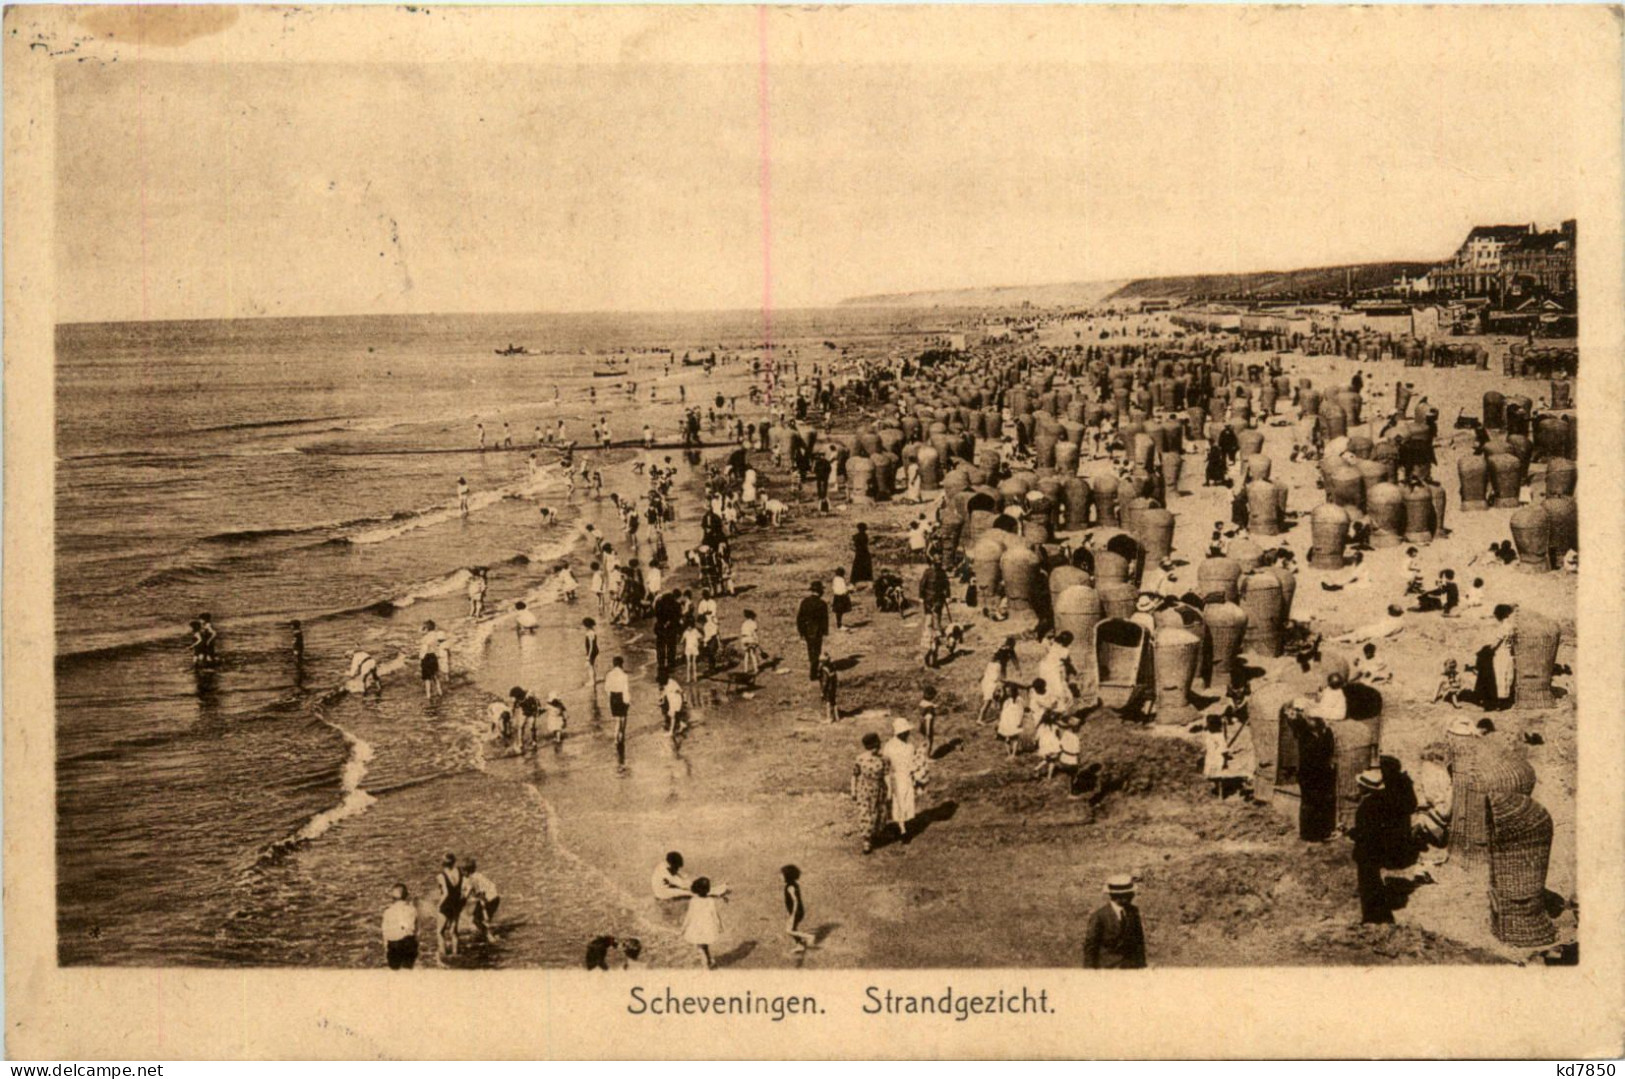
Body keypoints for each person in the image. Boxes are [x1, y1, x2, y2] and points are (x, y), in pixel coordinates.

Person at [1350, 770, 1396, 924]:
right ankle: (1379, 916)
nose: (1357, 786)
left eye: (1360, 784)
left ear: (1366, 788)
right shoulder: (1379, 802)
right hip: (1376, 850)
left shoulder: (1367, 807)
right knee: (1374, 881)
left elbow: (1365, 832)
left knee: (1367, 885)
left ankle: (1371, 918)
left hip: (1367, 851)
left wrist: (1351, 833)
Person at [1285, 705, 1337, 841]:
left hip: (1323, 772)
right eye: (1310, 719)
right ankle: (1308, 834)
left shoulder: (1326, 733)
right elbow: (1292, 721)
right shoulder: (1303, 733)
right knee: (1309, 802)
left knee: (1322, 802)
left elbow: (1330, 750)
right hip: (1308, 773)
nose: (1312, 721)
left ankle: (1323, 832)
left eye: (1315, 719)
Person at [1082, 875, 1147, 969]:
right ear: (1119, 896)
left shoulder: (1133, 912)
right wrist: (1090, 973)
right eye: (1129, 894)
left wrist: (1141, 966)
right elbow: (1091, 948)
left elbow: (1139, 943)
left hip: (1131, 970)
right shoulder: (1099, 916)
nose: (1133, 896)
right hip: (1107, 971)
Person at [881, 717, 927, 845]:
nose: (907, 734)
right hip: (896, 777)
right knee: (900, 802)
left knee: (905, 801)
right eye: (905, 732)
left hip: (905, 777)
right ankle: (903, 829)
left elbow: (912, 761)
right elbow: (886, 764)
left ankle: (904, 825)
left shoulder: (906, 746)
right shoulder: (891, 747)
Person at [851, 733, 889, 854]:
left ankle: (875, 834)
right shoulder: (860, 759)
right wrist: (853, 790)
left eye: (877, 746)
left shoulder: (884, 759)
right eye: (873, 747)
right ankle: (866, 842)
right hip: (864, 790)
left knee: (879, 813)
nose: (875, 749)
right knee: (865, 814)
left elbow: (886, 775)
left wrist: (890, 791)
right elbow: (854, 775)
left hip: (879, 789)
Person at [682, 877, 726, 970]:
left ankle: (705, 965)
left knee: (700, 947)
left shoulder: (694, 901)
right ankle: (709, 961)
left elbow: (689, 916)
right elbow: (715, 915)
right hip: (708, 927)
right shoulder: (710, 900)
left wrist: (683, 927)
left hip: (697, 927)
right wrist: (719, 926)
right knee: (705, 945)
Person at [797, 582, 830, 681]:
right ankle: (813, 672)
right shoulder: (822, 604)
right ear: (820, 591)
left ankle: (813, 669)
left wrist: (801, 631)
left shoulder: (805, 602)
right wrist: (825, 631)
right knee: (817, 650)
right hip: (818, 630)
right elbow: (825, 619)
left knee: (811, 649)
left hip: (807, 630)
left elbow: (800, 618)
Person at [461, 858, 501, 942]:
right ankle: (489, 933)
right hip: (495, 897)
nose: (462, 874)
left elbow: (480, 895)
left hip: (489, 899)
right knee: (483, 919)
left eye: (463, 871)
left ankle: (489, 937)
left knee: (477, 920)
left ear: (467, 871)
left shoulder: (473, 879)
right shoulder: (477, 875)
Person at [381, 883, 419, 970]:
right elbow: (416, 931)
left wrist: (386, 948)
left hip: (394, 945)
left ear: (392, 898)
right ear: (406, 896)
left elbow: (385, 933)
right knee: (407, 970)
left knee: (395, 972)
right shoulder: (412, 909)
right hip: (409, 943)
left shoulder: (388, 912)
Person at [435, 853, 465, 957]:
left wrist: (438, 905)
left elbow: (446, 893)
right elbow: (463, 888)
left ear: (442, 863)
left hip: (446, 904)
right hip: (457, 904)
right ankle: (455, 952)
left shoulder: (441, 876)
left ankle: (443, 953)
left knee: (440, 931)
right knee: (454, 931)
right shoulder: (460, 872)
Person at [781, 865, 816, 954]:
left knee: (789, 930)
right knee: (794, 928)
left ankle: (809, 937)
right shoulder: (794, 884)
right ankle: (800, 945)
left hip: (796, 912)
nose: (780, 876)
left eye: (782, 874)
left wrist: (793, 915)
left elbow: (795, 901)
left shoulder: (790, 887)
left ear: (787, 876)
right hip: (798, 911)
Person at [605, 657, 631, 751]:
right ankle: (622, 736)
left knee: (617, 720)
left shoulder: (609, 674)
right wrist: (627, 701)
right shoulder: (624, 675)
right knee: (623, 718)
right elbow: (626, 690)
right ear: (621, 664)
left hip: (613, 697)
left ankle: (615, 738)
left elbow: (607, 688)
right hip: (621, 697)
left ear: (613, 664)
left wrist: (610, 699)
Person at [995, 682, 1025, 755]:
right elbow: (1003, 711)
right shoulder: (1007, 700)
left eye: (1010, 691)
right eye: (1007, 691)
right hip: (1006, 720)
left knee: (1014, 737)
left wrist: (1020, 721)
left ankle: (1014, 754)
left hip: (1014, 720)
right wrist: (1000, 721)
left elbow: (1021, 711)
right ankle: (1009, 753)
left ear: (1014, 691)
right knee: (1006, 737)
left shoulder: (1019, 700)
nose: (1008, 693)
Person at [419, 620, 445, 701]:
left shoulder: (425, 638)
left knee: (427, 678)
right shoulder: (436, 636)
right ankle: (440, 691)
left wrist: (421, 657)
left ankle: (428, 694)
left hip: (426, 657)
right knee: (435, 676)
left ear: (426, 628)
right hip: (434, 656)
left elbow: (424, 648)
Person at [739, 609, 762, 676]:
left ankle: (745, 670)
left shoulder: (744, 623)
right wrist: (757, 641)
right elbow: (754, 633)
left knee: (746, 654)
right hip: (750, 638)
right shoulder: (753, 623)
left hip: (743, 639)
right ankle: (756, 669)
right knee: (752, 654)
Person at [819, 653, 840, 723]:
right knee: (833, 701)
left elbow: (825, 681)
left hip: (828, 688)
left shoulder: (824, 669)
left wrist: (822, 691)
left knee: (828, 702)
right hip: (833, 687)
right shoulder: (832, 666)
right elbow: (835, 677)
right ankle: (837, 717)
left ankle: (829, 718)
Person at [581, 617, 600, 684]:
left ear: (587, 626)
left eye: (583, 625)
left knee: (590, 666)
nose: (583, 627)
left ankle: (592, 681)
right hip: (593, 650)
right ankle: (593, 679)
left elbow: (591, 645)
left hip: (592, 651)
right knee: (591, 665)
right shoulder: (591, 632)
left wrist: (588, 656)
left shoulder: (590, 633)